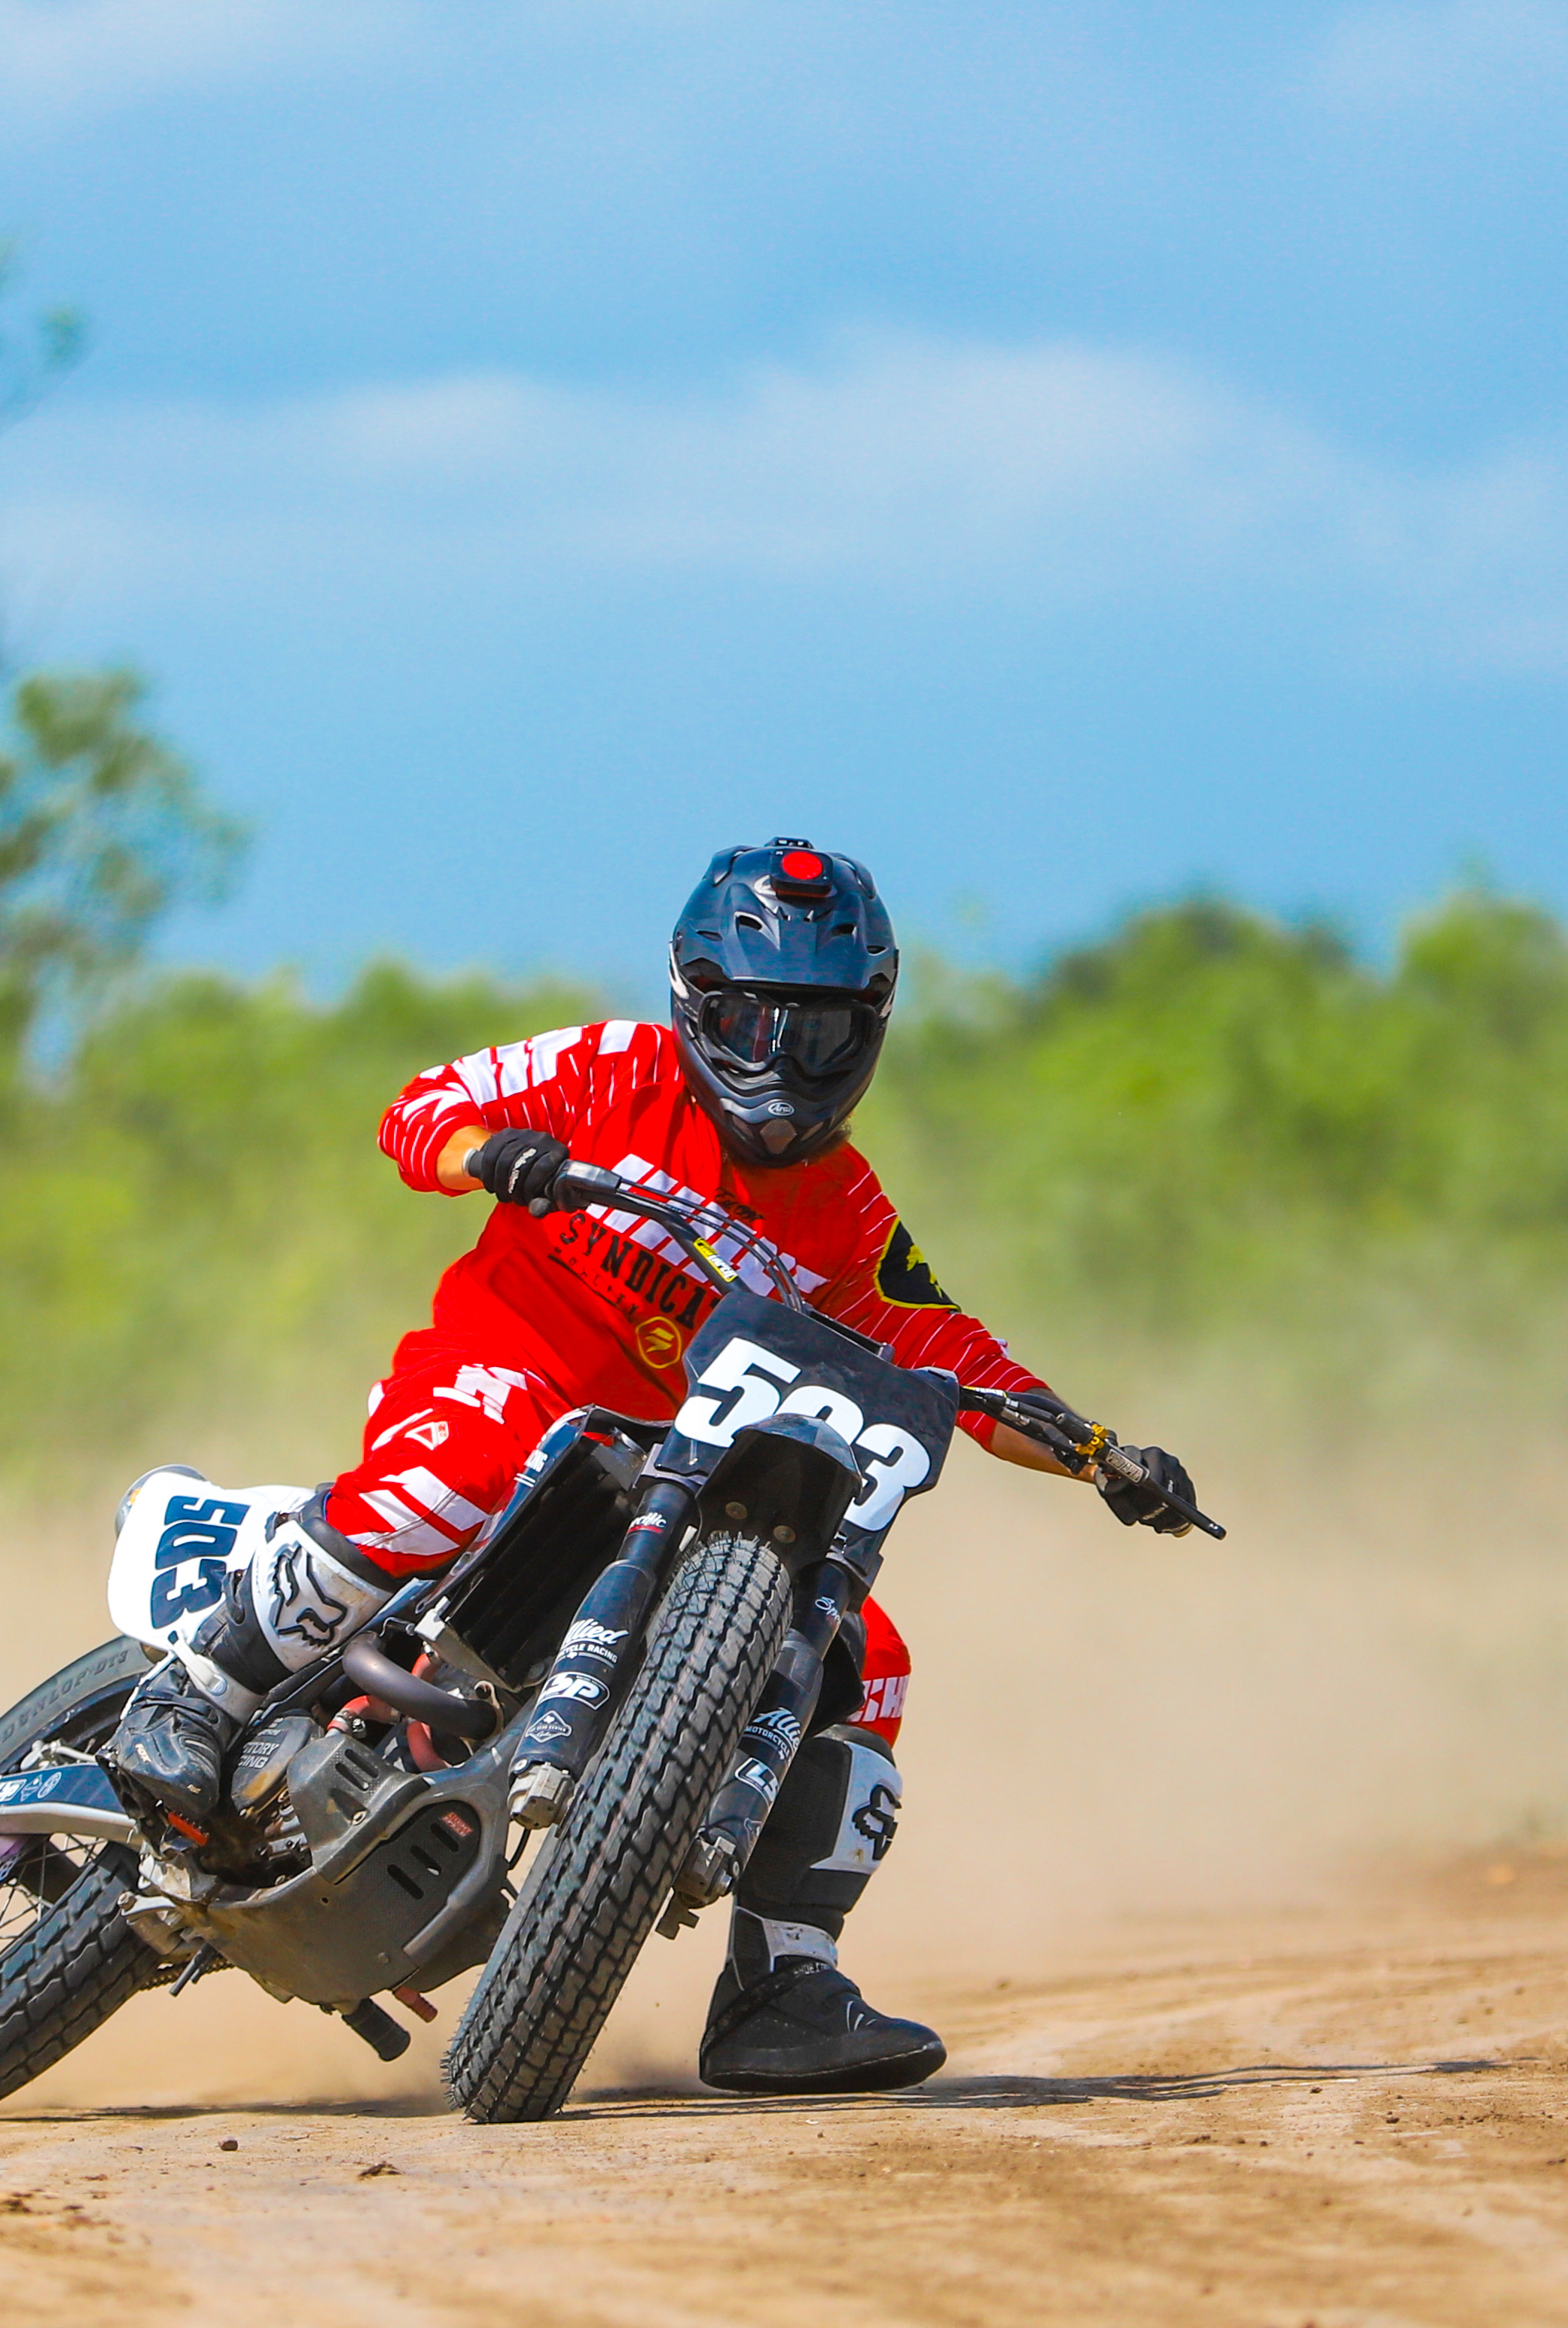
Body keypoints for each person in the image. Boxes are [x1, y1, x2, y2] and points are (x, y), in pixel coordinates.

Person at [103, 837, 1206, 2095]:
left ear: (872, 1030)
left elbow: (948, 1349)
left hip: (678, 1480)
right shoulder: (600, 1070)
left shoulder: (846, 1212)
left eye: (821, 1029)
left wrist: (1100, 1454)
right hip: (500, 1379)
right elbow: (416, 1110)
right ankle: (199, 1692)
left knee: (876, 1661)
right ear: (690, 1002)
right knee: (468, 1460)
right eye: (746, 1018)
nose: (782, 1059)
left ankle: (781, 1982)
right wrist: (492, 1155)